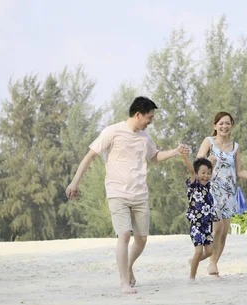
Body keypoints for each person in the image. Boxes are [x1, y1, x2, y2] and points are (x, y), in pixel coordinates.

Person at [65, 96, 188, 294]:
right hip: (117, 192)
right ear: (138, 114)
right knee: (124, 235)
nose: (150, 122)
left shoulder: (145, 136)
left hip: (140, 193)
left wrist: (175, 152)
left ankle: (128, 266)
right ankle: (123, 282)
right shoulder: (112, 132)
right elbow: (90, 156)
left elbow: (154, 156)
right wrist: (75, 181)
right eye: (149, 117)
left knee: (141, 240)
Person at [196, 111, 247, 278]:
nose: (224, 126)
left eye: (228, 123)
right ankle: (207, 260)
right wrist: (208, 162)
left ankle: (211, 263)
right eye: (221, 123)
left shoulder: (235, 147)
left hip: (228, 194)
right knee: (217, 227)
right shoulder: (209, 142)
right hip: (211, 191)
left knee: (224, 234)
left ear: (231, 126)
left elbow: (239, 171)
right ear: (215, 126)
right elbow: (198, 163)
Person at [182, 152, 220, 281]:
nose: (206, 175)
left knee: (209, 252)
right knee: (198, 251)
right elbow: (190, 170)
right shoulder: (194, 184)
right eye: (203, 172)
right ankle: (192, 277)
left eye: (208, 173)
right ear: (197, 173)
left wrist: (211, 164)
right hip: (196, 225)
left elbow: (210, 170)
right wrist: (185, 156)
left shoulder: (208, 186)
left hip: (207, 224)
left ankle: (193, 261)